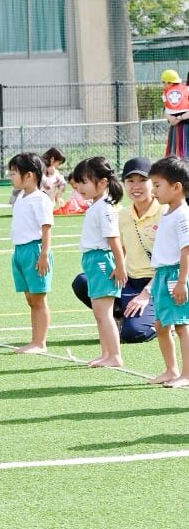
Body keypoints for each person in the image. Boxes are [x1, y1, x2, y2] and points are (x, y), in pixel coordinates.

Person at [83, 157, 163, 345]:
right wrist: (115, 270)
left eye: (143, 180)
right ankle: (119, 315)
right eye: (130, 181)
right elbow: (122, 249)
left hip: (158, 283)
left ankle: (165, 322)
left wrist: (146, 293)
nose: (136, 186)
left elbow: (174, 262)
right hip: (131, 281)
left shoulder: (165, 212)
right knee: (83, 282)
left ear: (153, 183)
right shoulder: (122, 215)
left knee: (134, 334)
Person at [70, 157, 127, 368]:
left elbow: (114, 239)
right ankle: (106, 353)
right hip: (93, 261)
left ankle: (115, 356)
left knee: (104, 314)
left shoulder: (105, 208)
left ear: (102, 183)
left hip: (102, 261)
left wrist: (120, 266)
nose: (79, 187)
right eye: (78, 182)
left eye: (84, 182)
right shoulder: (96, 206)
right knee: (99, 313)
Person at [147, 156, 189, 387]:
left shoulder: (182, 215)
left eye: (157, 185)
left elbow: (187, 250)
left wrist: (182, 281)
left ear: (176, 187)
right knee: (161, 325)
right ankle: (171, 370)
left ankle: (187, 374)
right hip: (162, 275)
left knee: (181, 326)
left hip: (175, 275)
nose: (153, 190)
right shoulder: (167, 212)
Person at [8, 152, 55, 354]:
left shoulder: (40, 199)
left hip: (35, 250)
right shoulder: (20, 197)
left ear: (29, 175)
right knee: (30, 299)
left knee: (38, 299)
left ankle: (40, 343)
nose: (11, 177)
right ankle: (34, 340)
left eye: (14, 173)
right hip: (20, 251)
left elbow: (46, 228)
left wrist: (43, 255)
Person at [163, 70, 189, 160]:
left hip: (178, 126)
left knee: (178, 156)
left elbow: (166, 110)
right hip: (178, 127)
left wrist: (177, 118)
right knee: (179, 157)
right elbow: (165, 109)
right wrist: (175, 118)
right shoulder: (183, 91)